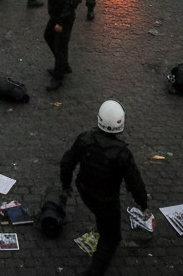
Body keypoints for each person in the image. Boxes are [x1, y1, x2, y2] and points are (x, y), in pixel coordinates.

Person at [60, 100, 148, 276]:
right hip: (106, 200)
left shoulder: (85, 139)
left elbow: (67, 163)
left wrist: (66, 185)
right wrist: (142, 202)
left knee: (102, 219)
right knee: (111, 237)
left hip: (85, 191)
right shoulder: (122, 153)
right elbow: (135, 182)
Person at [42, 0, 81, 91]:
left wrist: (60, 22)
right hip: (56, 16)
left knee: (60, 46)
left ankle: (58, 77)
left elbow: (74, 0)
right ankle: (63, 64)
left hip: (63, 19)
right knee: (48, 36)